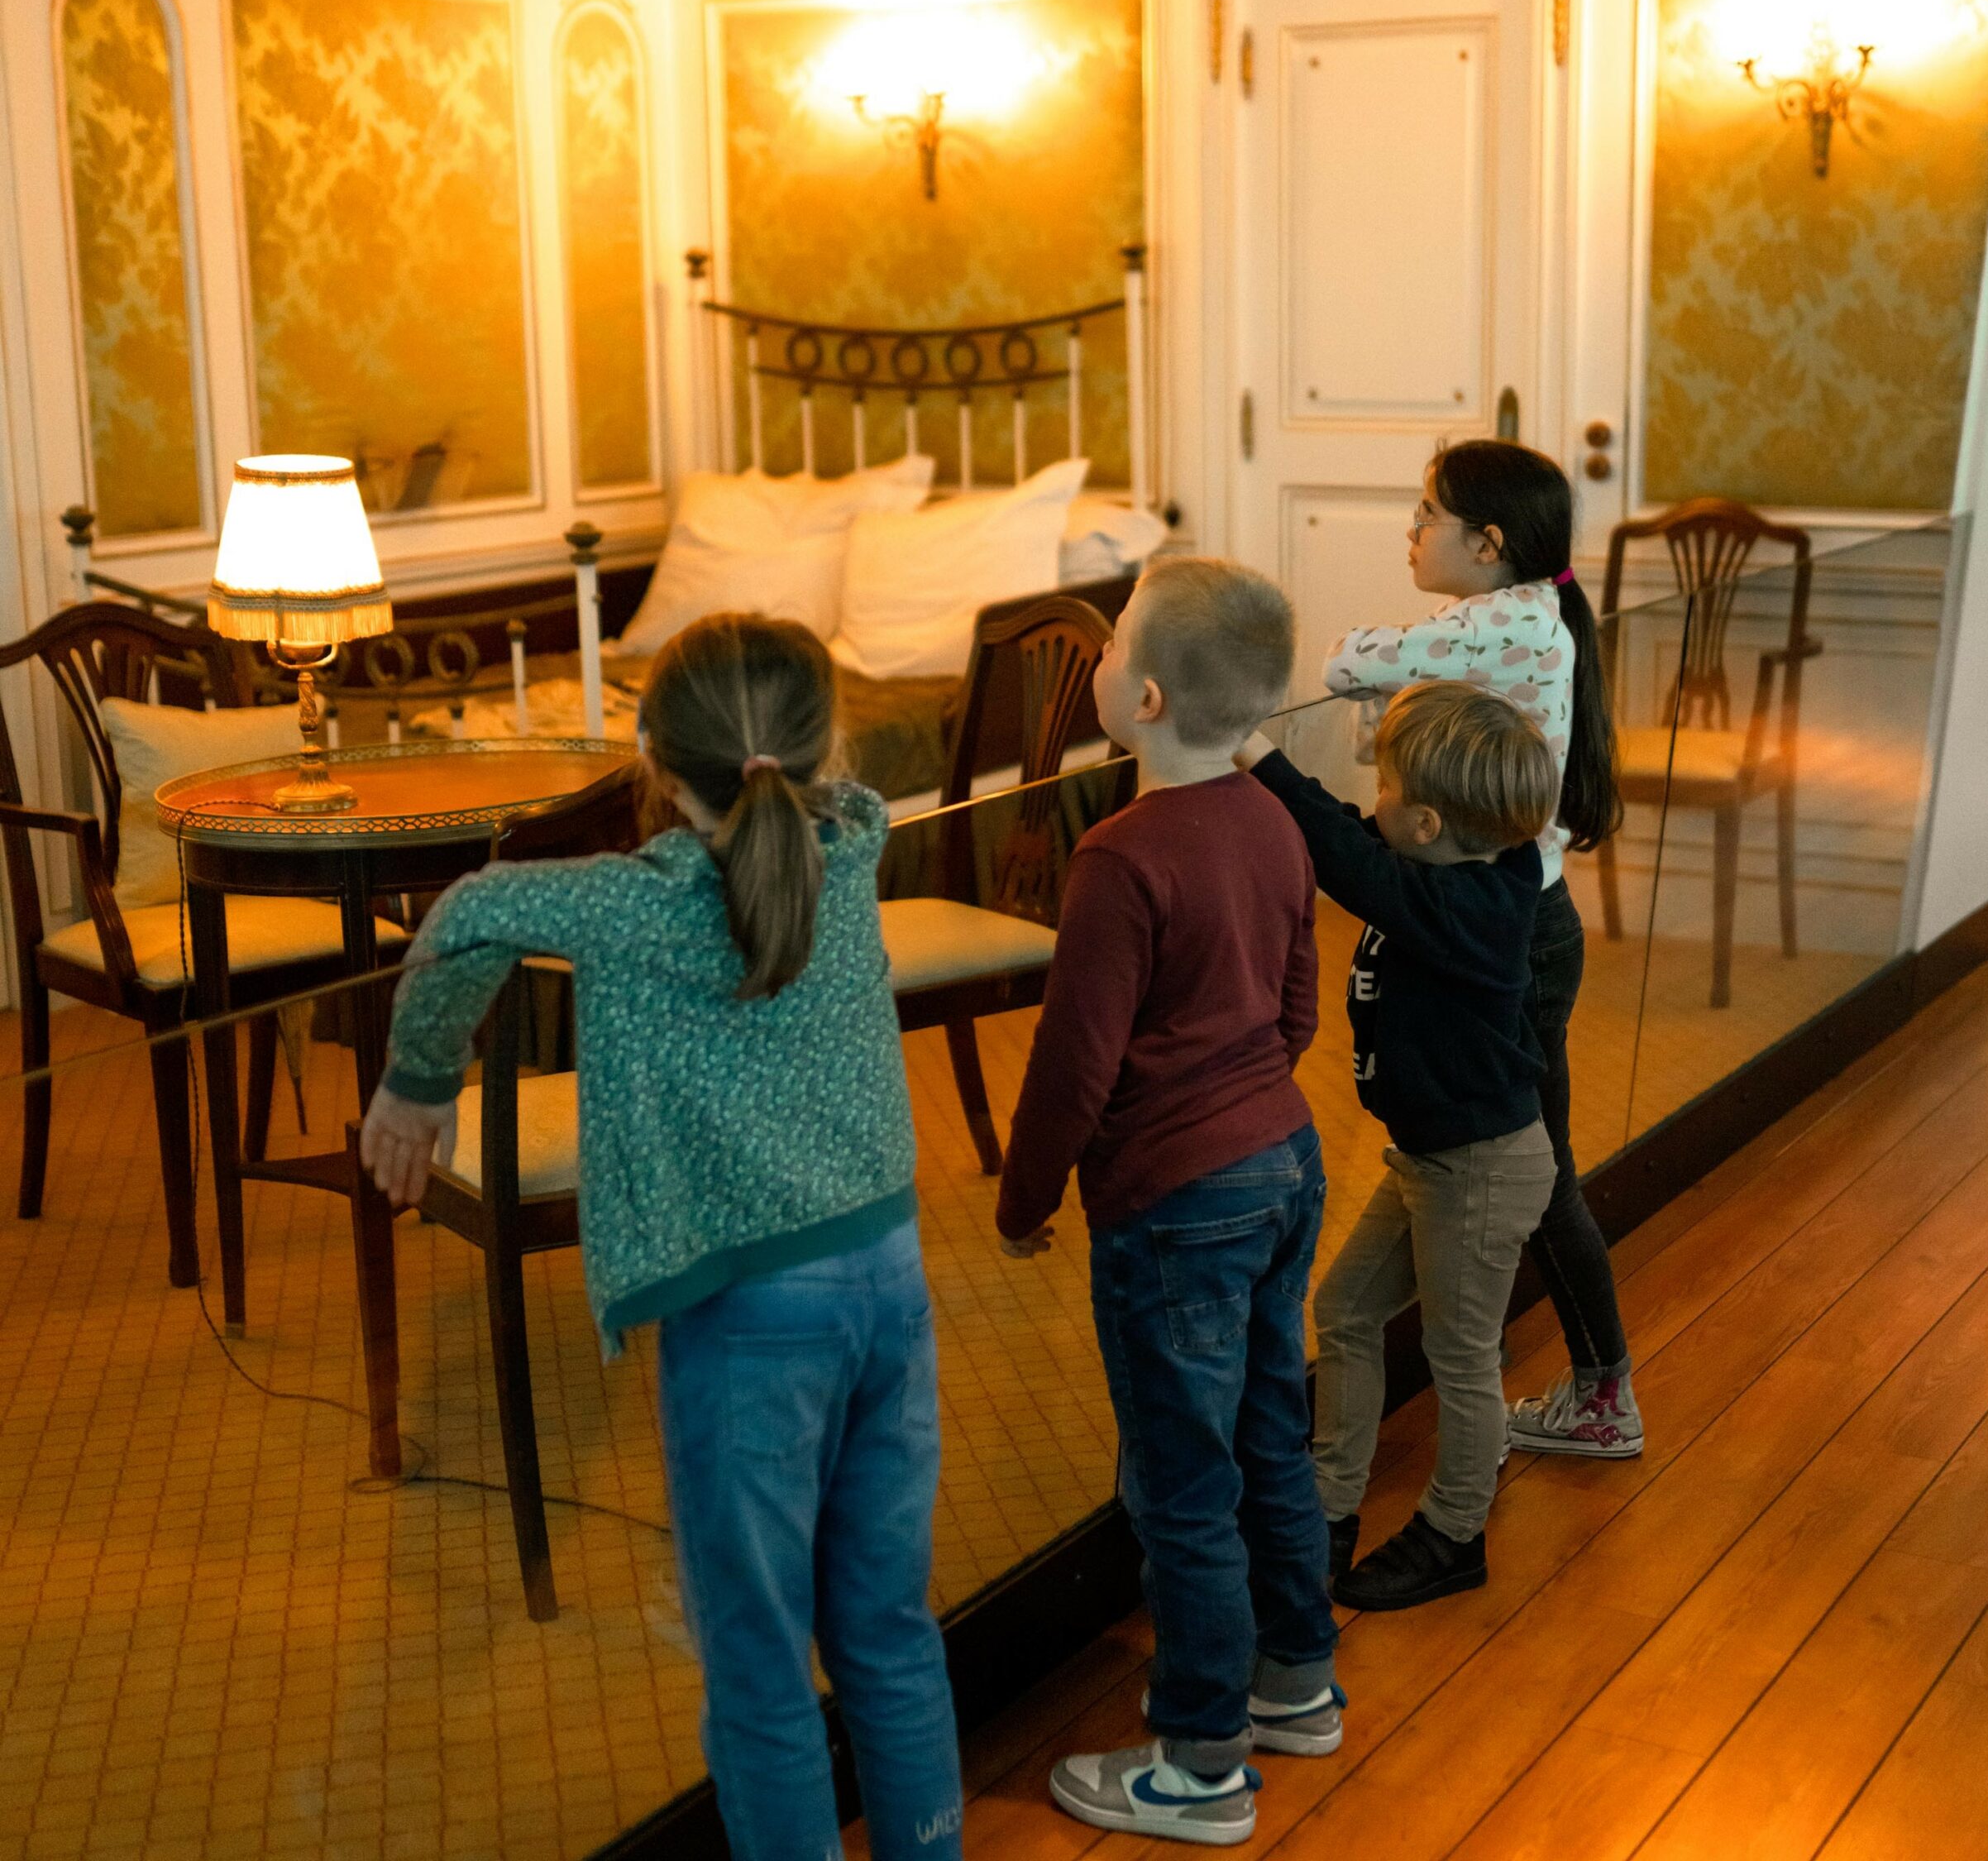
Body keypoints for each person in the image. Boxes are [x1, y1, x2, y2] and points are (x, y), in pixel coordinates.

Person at [358, 615, 963, 1861]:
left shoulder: (642, 905)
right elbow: (797, 784)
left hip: (751, 1322)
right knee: (890, 1632)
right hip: (889, 1282)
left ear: (648, 752)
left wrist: (417, 1083)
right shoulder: (858, 837)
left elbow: (469, 912)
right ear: (825, 748)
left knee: (755, 1667)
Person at [995, 557, 1341, 1848]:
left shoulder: (1117, 858)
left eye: (1112, 640)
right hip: (1285, 1162)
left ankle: (1201, 1763)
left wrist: (1025, 1198)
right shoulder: (1273, 822)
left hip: (1173, 1201)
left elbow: (1073, 1067)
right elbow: (1298, 1003)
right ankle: (1295, 1682)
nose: (1095, 659)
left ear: (1140, 695)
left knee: (1181, 1480)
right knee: (1265, 1431)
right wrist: (1244, 1103)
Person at [1321, 440, 1642, 1462]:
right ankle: (1558, 1367)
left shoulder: (1498, 620)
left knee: (1534, 1169)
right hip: (1521, 918)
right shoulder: (1519, 619)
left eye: (1427, 514)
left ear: (1487, 543)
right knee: (1520, 1159)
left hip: (1514, 932)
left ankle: (1602, 1392)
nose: (1410, 532)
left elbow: (1348, 664)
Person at [1239, 680, 1559, 1610]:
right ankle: (1330, 1505)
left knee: (1461, 1355)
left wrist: (1257, 754)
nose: (1368, 798)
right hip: (1433, 1158)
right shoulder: (1441, 864)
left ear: (1424, 823)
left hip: (1481, 1167)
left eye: (1383, 785)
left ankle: (1456, 1530)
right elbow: (1350, 832)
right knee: (1343, 1308)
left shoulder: (1476, 908)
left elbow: (1348, 859)